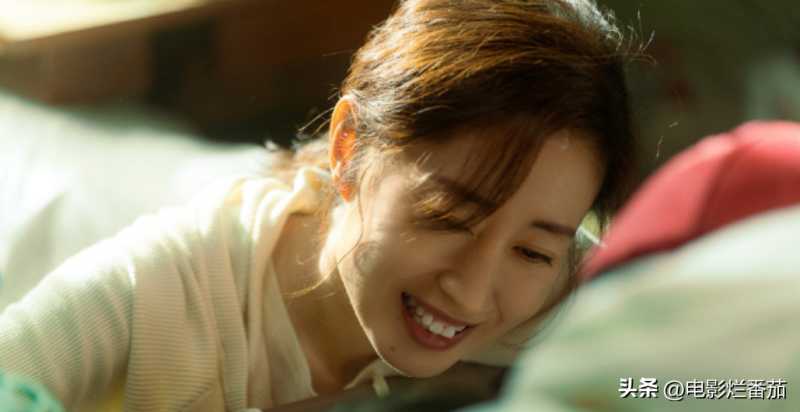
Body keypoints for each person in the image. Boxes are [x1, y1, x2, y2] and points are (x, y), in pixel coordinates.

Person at [0, 0, 638, 410]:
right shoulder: (154, 289)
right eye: (448, 217)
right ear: (348, 146)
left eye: (531, 250)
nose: (470, 294)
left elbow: (686, 375)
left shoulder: (559, 288)